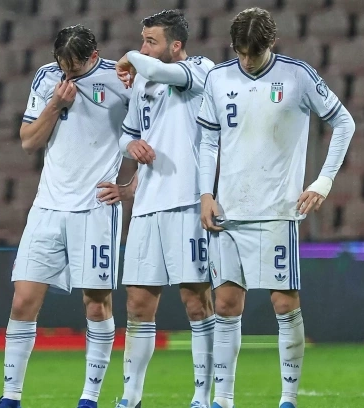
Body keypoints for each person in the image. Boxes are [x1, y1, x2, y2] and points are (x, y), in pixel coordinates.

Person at [196, 8, 355, 408]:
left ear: (272, 43)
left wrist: (323, 181)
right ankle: (222, 400)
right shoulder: (218, 78)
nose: (247, 60)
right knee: (225, 305)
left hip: (276, 210)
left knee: (284, 304)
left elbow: (344, 122)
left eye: (255, 52)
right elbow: (208, 140)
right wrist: (205, 194)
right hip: (228, 211)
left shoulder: (297, 75)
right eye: (241, 52)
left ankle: (288, 399)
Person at [0, 25, 131, 408]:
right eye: (62, 64)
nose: (68, 72)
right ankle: (10, 397)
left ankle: (89, 397)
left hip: (95, 209)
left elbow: (153, 137)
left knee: (96, 303)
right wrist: (55, 105)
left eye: (75, 65)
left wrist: (129, 188)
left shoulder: (121, 81)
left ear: (94, 56)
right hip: (48, 207)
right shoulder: (47, 78)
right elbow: (28, 141)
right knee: (22, 300)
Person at [109, 9, 215, 408]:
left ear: (176, 45)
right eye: (141, 41)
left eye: (151, 41)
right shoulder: (143, 82)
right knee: (138, 303)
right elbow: (126, 136)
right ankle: (131, 397)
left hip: (188, 201)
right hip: (147, 205)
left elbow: (160, 70)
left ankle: (203, 396)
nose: (143, 48)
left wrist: (129, 58)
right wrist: (131, 147)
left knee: (195, 301)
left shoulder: (200, 70)